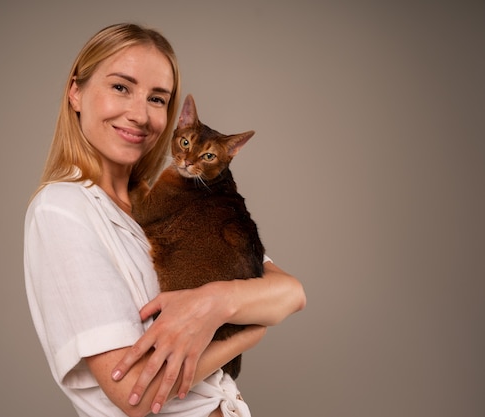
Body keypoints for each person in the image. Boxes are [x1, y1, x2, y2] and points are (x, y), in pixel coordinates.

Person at [24, 23, 306, 417]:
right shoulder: (63, 208)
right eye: (121, 87)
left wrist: (214, 302)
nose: (139, 114)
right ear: (76, 92)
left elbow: (291, 293)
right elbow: (135, 395)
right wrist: (248, 333)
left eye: (157, 98)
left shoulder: (174, 205)